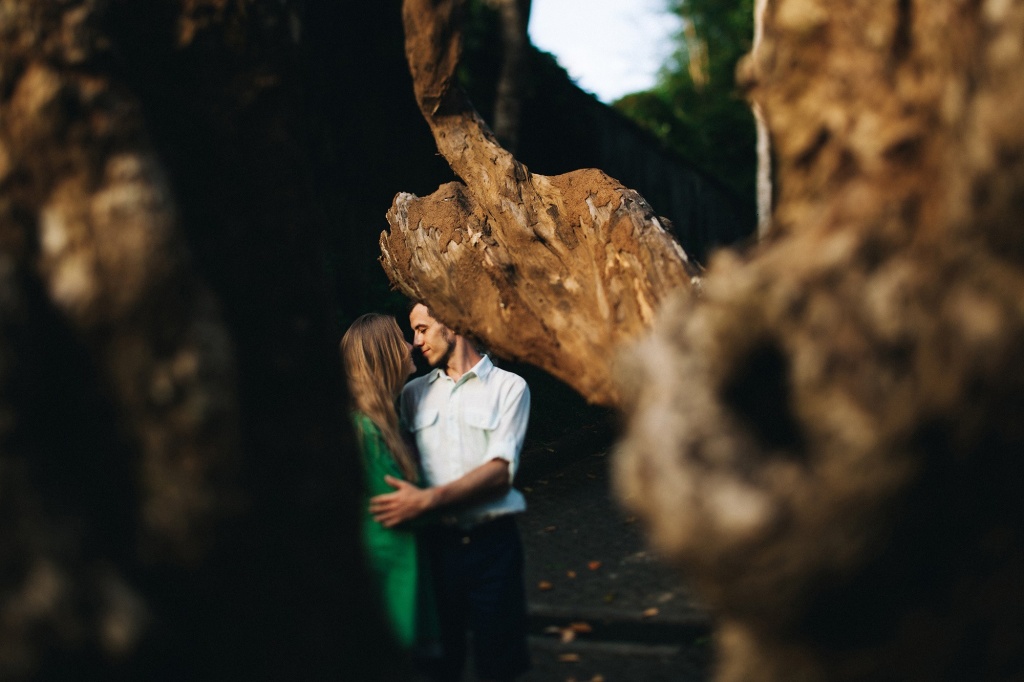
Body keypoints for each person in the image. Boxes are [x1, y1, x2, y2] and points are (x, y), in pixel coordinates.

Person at [369, 303, 532, 682]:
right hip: (436, 549)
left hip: (494, 548)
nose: (416, 342)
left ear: (453, 323)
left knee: (500, 665)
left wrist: (427, 500)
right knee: (438, 667)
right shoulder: (412, 394)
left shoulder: (509, 387)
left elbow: (499, 473)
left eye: (422, 329)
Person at [340, 313, 437, 653]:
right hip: (390, 582)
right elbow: (401, 503)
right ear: (383, 354)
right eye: (401, 339)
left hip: (402, 576)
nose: (411, 345)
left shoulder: (385, 424)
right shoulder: (367, 430)